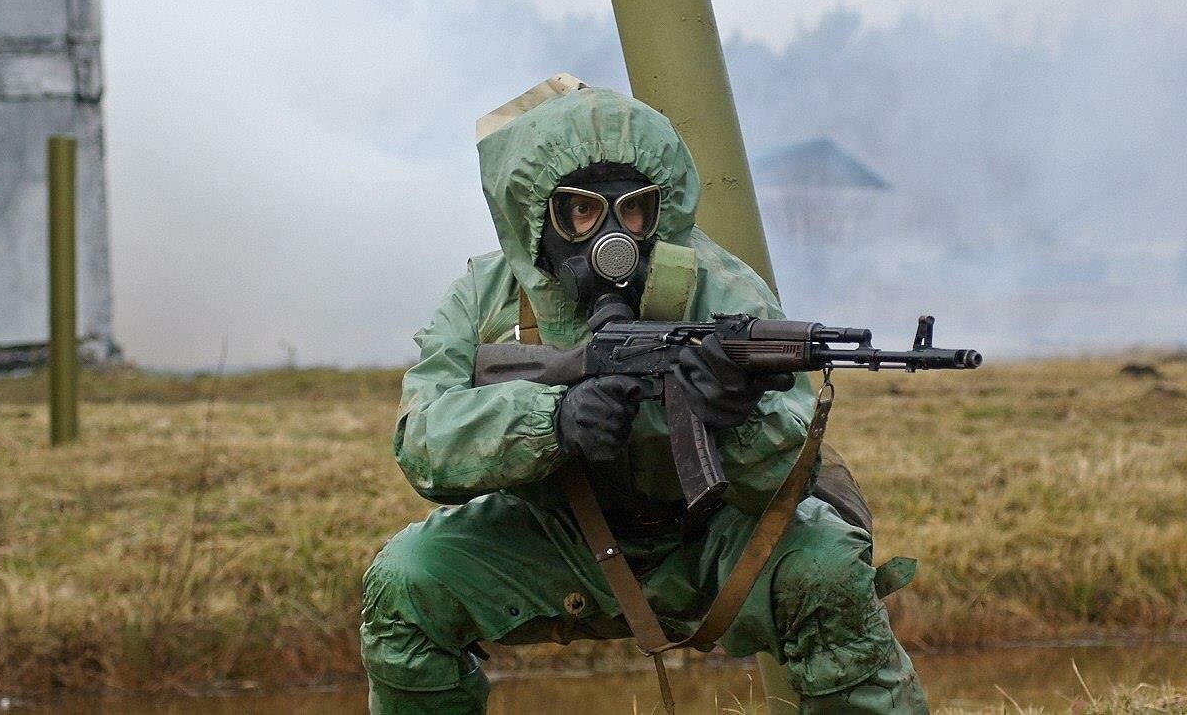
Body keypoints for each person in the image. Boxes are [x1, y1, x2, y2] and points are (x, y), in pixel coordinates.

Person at [360, 80, 928, 714]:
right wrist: (553, 422)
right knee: (404, 582)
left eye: (632, 210)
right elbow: (424, 442)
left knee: (827, 568)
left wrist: (734, 420)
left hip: (709, 540)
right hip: (557, 540)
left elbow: (793, 475)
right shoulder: (486, 297)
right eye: (580, 211)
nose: (612, 237)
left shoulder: (720, 288)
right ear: (536, 214)